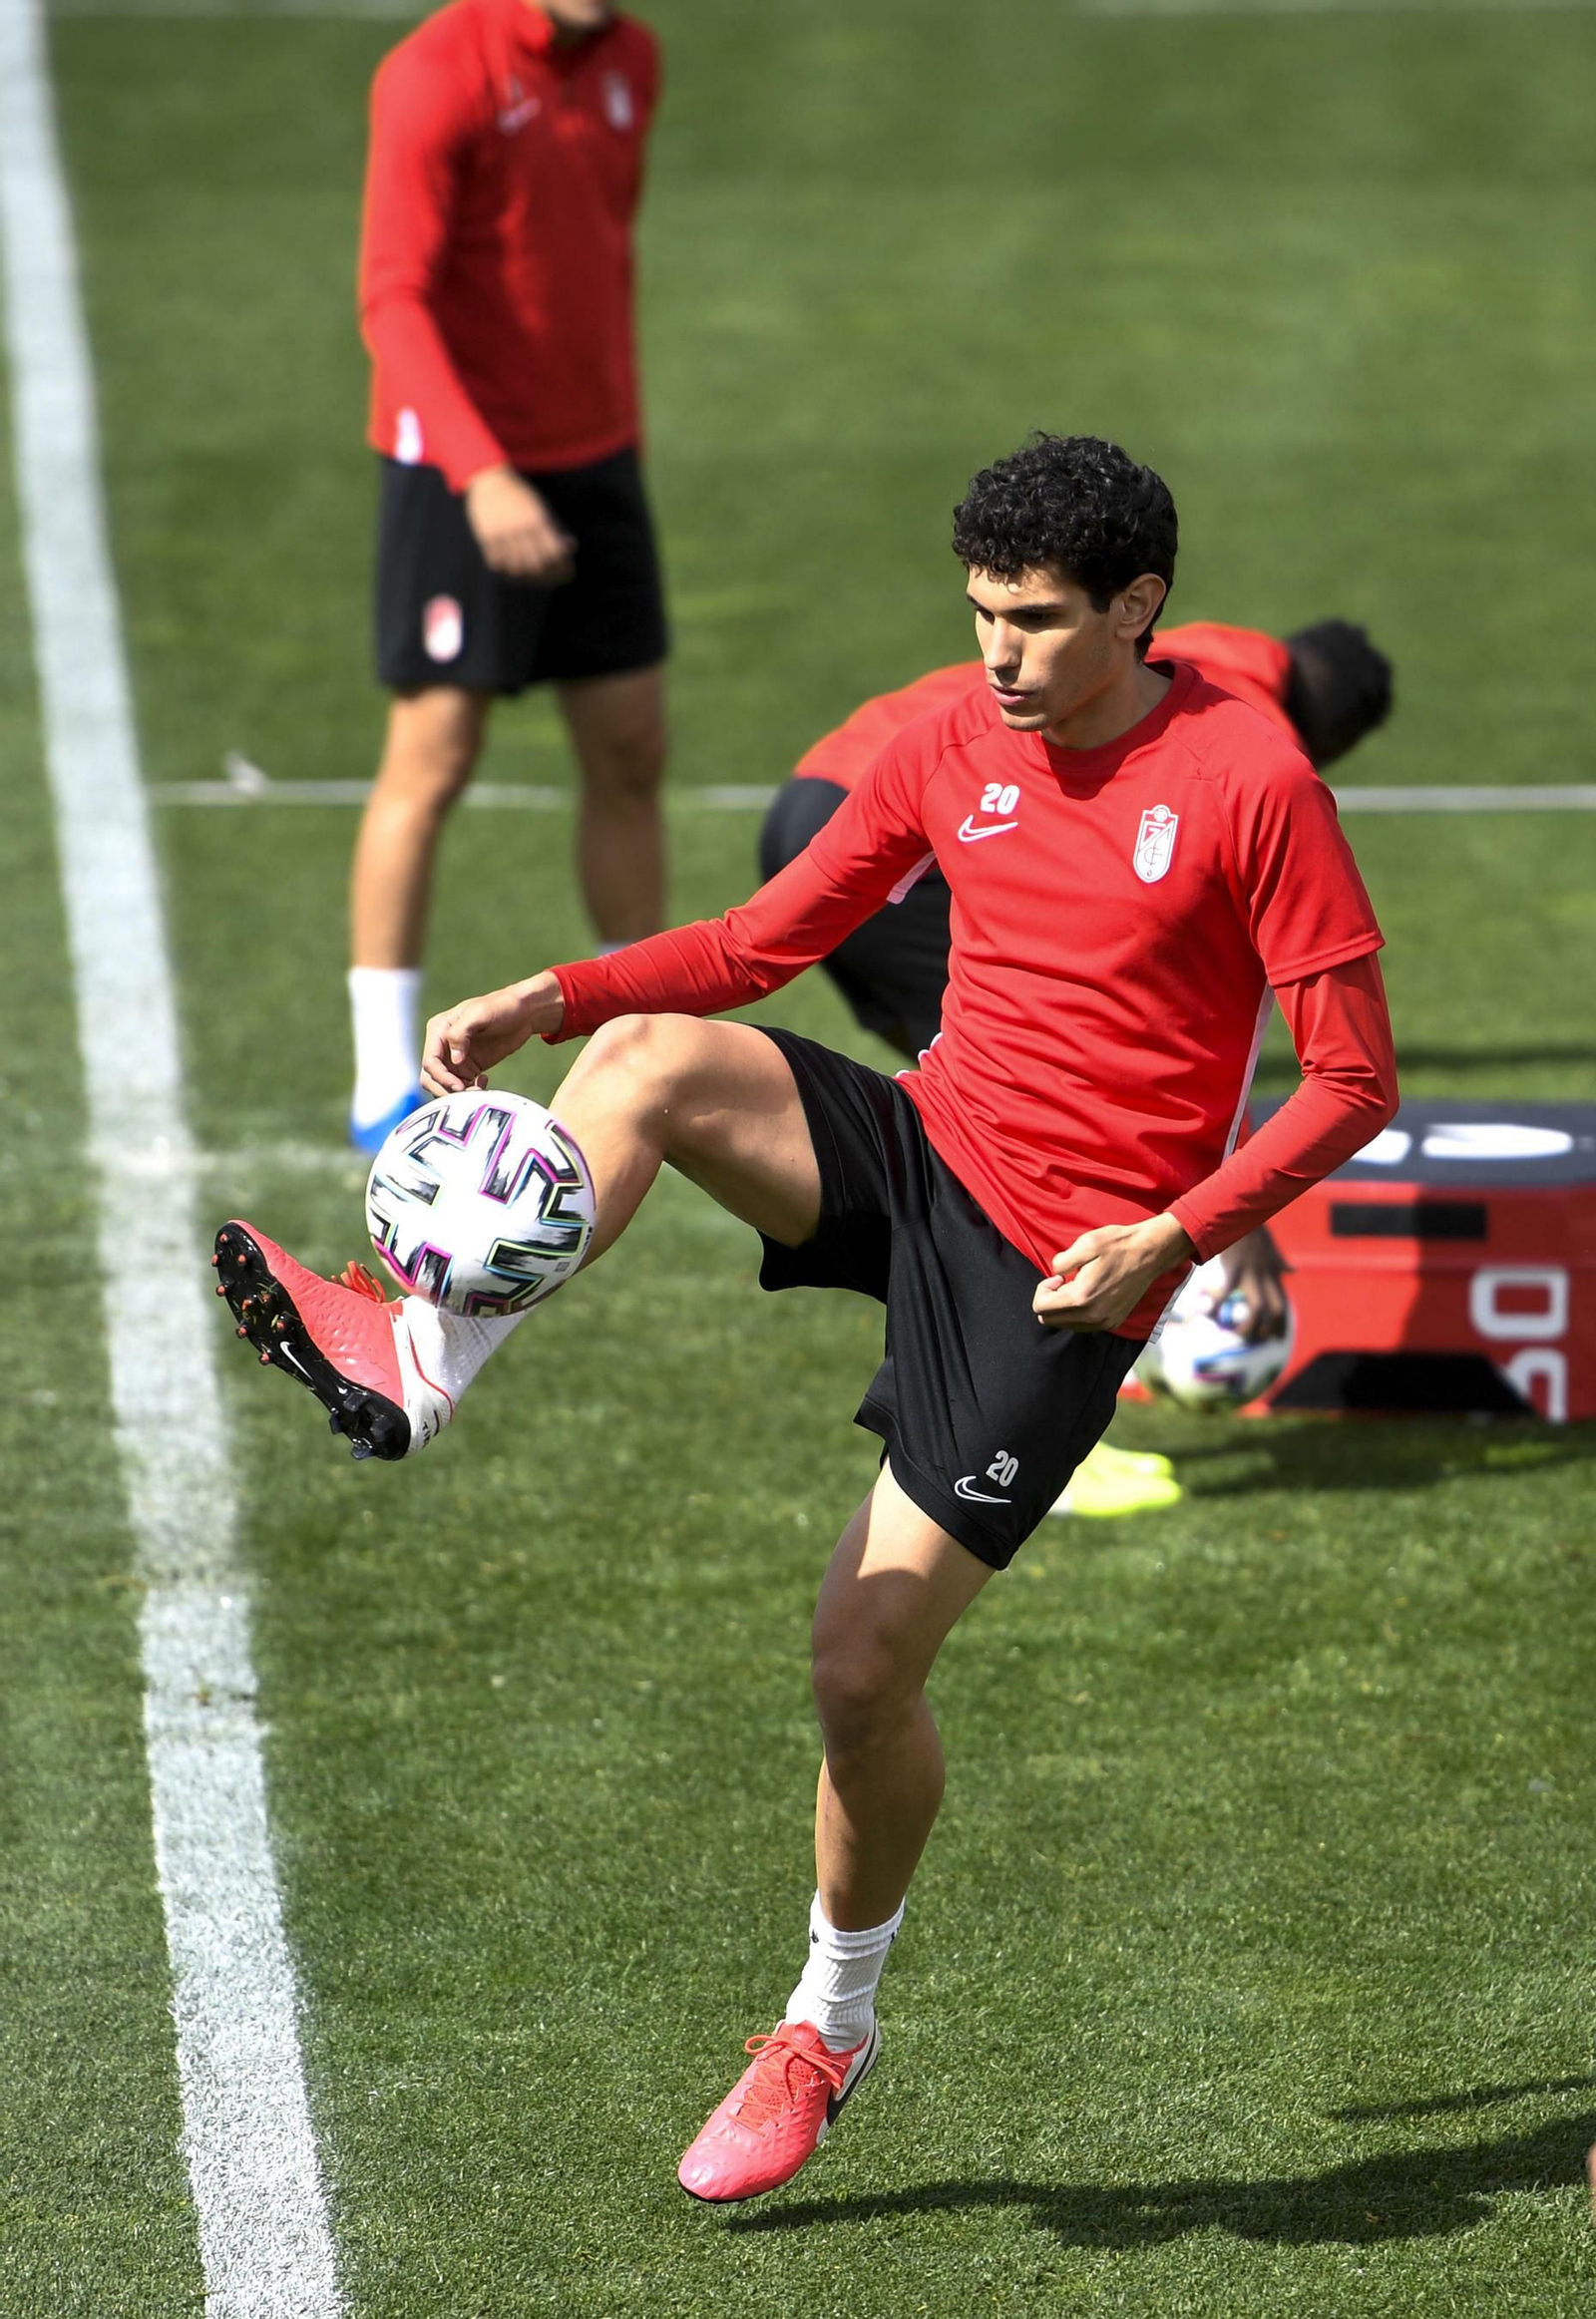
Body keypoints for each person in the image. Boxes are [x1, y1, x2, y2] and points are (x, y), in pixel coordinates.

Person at [213, 434, 1399, 2201]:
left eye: (1041, 621)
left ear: (1140, 608)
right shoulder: (954, 743)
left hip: (1067, 1272)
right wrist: (559, 988)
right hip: (927, 1146)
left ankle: (826, 2026)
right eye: (982, 615)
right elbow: (768, 939)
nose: (1001, 655)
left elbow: (1354, 1080)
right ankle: (418, 1355)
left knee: (859, 1670)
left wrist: (1176, 1234)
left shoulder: (1247, 776)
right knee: (652, 1060)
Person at [757, 615, 1395, 1514]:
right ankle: (1017, 1423)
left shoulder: (1189, 649)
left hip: (811, 793)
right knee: (1038, 1120)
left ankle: (980, 1400)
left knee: (1021, 1123)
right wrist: (1238, 1232)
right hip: (907, 817)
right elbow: (1168, 1029)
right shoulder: (1250, 744)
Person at [348, 0, 668, 1151]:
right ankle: (379, 1080)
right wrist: (483, 475)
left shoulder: (632, 58)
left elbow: (596, 259)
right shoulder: (434, 73)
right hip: (458, 463)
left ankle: (648, 1032)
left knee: (632, 748)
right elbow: (392, 293)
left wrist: (609, 434)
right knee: (432, 757)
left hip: (594, 462)